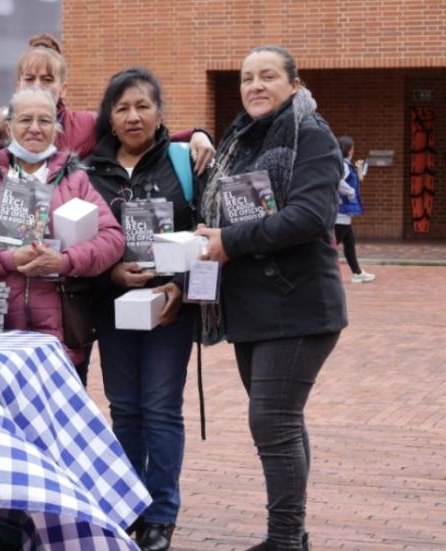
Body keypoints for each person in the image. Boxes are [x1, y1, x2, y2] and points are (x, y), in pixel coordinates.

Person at [194, 45, 348, 551]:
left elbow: (309, 217)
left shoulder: (312, 136)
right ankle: (292, 535)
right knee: (281, 420)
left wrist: (227, 242)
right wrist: (211, 235)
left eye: (267, 77)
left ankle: (284, 540)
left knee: (272, 420)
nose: (255, 86)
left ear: (295, 85)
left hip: (299, 305)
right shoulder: (241, 141)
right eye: (246, 78)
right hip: (252, 305)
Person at [85, 67, 197, 551]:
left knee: (161, 409)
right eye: (122, 107)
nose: (133, 116)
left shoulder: (185, 163)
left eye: (142, 106)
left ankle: (161, 513)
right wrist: (107, 274)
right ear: (109, 116)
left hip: (169, 309)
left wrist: (181, 286)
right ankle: (128, 505)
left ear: (159, 112)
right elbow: (76, 243)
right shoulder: (86, 170)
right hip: (112, 307)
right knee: (125, 410)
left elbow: (208, 232)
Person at [0, 85, 125, 368]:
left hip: (60, 338)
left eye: (44, 120)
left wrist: (65, 261)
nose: (35, 128)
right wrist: (9, 259)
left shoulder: (74, 179)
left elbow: (112, 239)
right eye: (25, 119)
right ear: (9, 125)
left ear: (56, 128)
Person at [5, 33, 216, 166]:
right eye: (29, 78)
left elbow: (142, 137)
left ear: (63, 89)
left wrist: (195, 135)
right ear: (18, 86)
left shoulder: (87, 124)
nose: (38, 85)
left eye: (48, 79)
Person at [335, 135, 374, 283]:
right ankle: (315, 272)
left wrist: (359, 170)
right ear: (349, 150)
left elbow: (357, 178)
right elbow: (337, 180)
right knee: (331, 246)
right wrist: (350, 193)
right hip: (341, 212)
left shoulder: (345, 164)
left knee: (349, 242)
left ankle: (357, 272)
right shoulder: (343, 166)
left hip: (344, 212)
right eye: (352, 148)